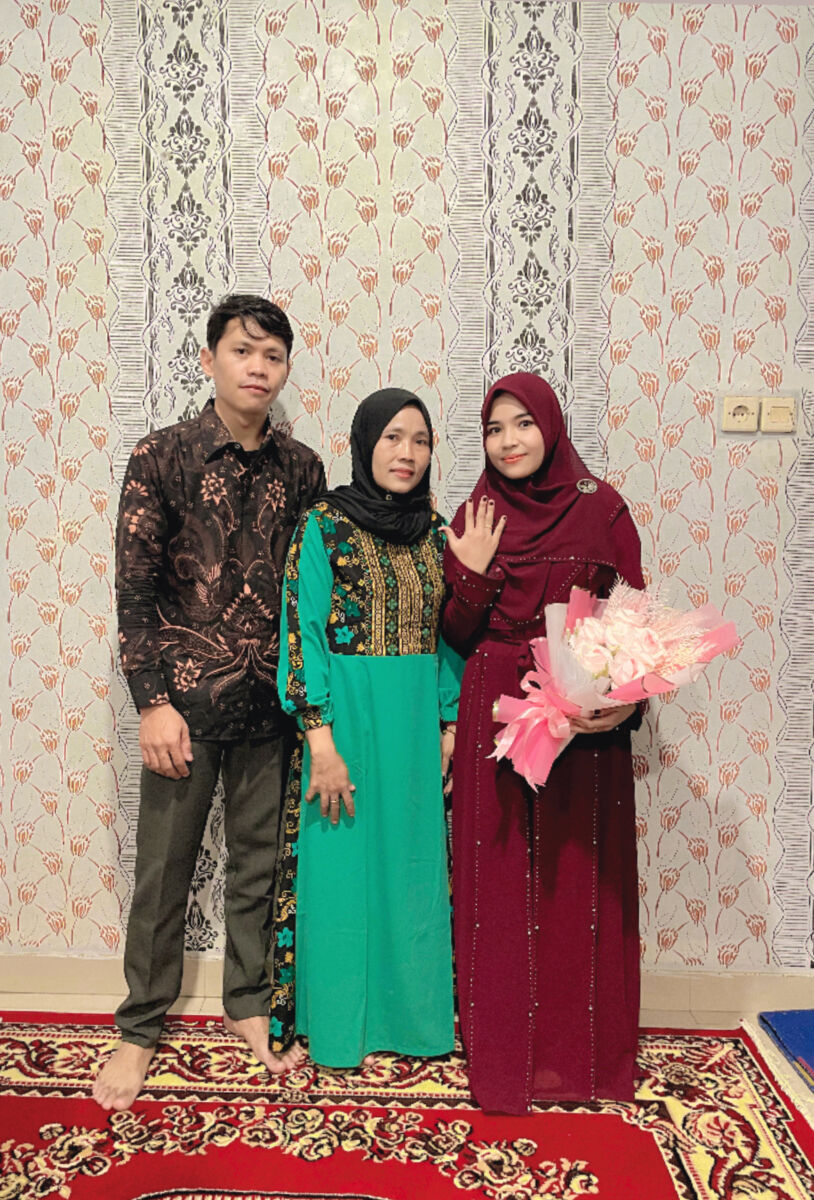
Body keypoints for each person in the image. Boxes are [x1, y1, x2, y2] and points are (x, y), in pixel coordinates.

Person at [93, 294, 325, 1111]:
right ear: (209, 359)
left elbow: (309, 593)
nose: (258, 367)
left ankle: (248, 1005)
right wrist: (151, 703)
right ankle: (139, 1027)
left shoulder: (303, 469)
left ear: (285, 370)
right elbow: (133, 593)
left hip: (271, 710)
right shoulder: (161, 456)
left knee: (259, 869)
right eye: (242, 350)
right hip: (182, 712)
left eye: (273, 355)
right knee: (164, 873)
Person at [442, 372, 644, 1113]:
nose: (508, 441)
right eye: (494, 428)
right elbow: (456, 633)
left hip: (582, 714)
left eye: (522, 423)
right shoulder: (476, 513)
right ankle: (501, 1056)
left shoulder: (602, 509)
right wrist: (469, 573)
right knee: (497, 882)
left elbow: (633, 624)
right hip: (496, 705)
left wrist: (624, 707)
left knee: (576, 881)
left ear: (552, 426)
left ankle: (580, 1060)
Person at [269, 388, 461, 1067]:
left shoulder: (436, 533)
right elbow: (302, 632)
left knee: (411, 873)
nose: (407, 453)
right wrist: (319, 740)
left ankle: (412, 1022)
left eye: (421, 440)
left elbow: (447, 636)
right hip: (344, 720)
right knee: (342, 874)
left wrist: (449, 724)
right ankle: (338, 1022)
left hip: (413, 724)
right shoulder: (323, 525)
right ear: (365, 443)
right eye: (392, 438)